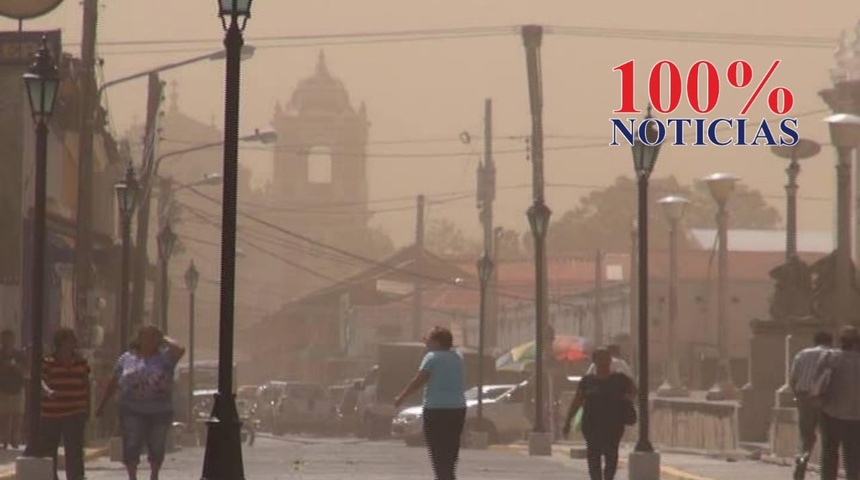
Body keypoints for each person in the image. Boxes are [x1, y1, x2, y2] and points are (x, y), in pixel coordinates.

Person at [96, 326, 185, 480]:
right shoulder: (127, 358)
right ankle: (132, 476)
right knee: (132, 442)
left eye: (152, 337)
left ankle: (154, 474)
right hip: (132, 409)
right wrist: (103, 404)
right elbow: (114, 382)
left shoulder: (165, 358)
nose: (148, 340)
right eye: (145, 336)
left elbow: (179, 349)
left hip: (159, 410)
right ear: (138, 339)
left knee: (157, 444)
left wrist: (162, 337)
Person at [394, 327, 465, 480]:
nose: (428, 344)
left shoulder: (432, 357)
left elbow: (418, 380)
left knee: (437, 446)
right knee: (451, 446)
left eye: (430, 340)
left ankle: (442, 476)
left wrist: (402, 396)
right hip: (457, 408)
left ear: (437, 342)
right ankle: (448, 475)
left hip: (436, 409)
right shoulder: (458, 357)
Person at [563, 347, 635, 480]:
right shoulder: (587, 381)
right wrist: (568, 422)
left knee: (611, 453)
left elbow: (633, 391)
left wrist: (628, 400)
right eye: (600, 358)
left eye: (606, 358)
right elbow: (577, 401)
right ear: (594, 361)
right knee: (593, 454)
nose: (604, 362)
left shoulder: (620, 379)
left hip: (614, 424)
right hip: (591, 424)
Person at [40, 328, 90, 480]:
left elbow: (86, 385)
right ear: (61, 343)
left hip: (75, 411)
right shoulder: (48, 362)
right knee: (50, 449)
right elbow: (40, 381)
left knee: (74, 449)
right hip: (52, 413)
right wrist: (48, 392)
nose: (73, 343)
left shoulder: (81, 362)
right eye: (70, 340)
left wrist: (87, 407)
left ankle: (75, 477)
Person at [814, 326, 860, 480]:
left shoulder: (829, 356)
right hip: (856, 416)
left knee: (829, 452)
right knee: (853, 454)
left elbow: (818, 382)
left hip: (831, 411)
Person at [789, 330, 833, 480]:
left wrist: (798, 397)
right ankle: (825, 471)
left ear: (814, 341)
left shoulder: (802, 354)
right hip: (825, 399)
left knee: (806, 436)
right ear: (830, 341)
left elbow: (793, 379)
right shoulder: (832, 355)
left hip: (803, 398)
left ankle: (802, 461)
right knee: (828, 437)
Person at [0, 329, 27, 449]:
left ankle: (15, 440)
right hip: (3, 388)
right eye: (5, 339)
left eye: (10, 338)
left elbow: (25, 370)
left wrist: (16, 367)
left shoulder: (19, 355)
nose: (7, 341)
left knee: (17, 415)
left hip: (17, 388)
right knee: (4, 416)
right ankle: (4, 440)